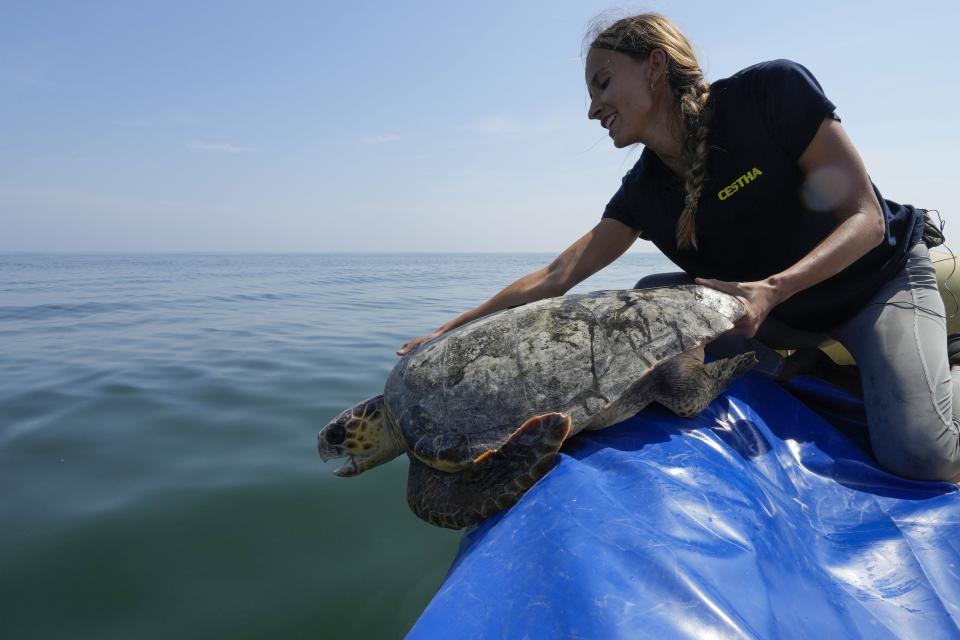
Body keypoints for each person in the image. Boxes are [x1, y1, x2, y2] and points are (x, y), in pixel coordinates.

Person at [397, 13, 960, 483]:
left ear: (655, 66)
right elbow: (559, 273)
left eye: (602, 83)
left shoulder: (771, 93)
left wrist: (773, 290)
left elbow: (865, 218)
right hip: (776, 315)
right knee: (648, 300)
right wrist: (455, 329)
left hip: (876, 285)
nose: (592, 109)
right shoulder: (645, 191)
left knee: (922, 456)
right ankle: (804, 364)